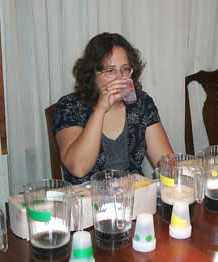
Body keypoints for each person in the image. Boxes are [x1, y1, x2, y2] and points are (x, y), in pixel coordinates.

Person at [54, 32, 173, 184]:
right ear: (92, 74)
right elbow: (78, 167)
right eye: (110, 71)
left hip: (134, 198)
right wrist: (100, 108)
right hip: (88, 200)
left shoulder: (141, 103)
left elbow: (166, 163)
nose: (120, 78)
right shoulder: (70, 106)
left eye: (125, 69)